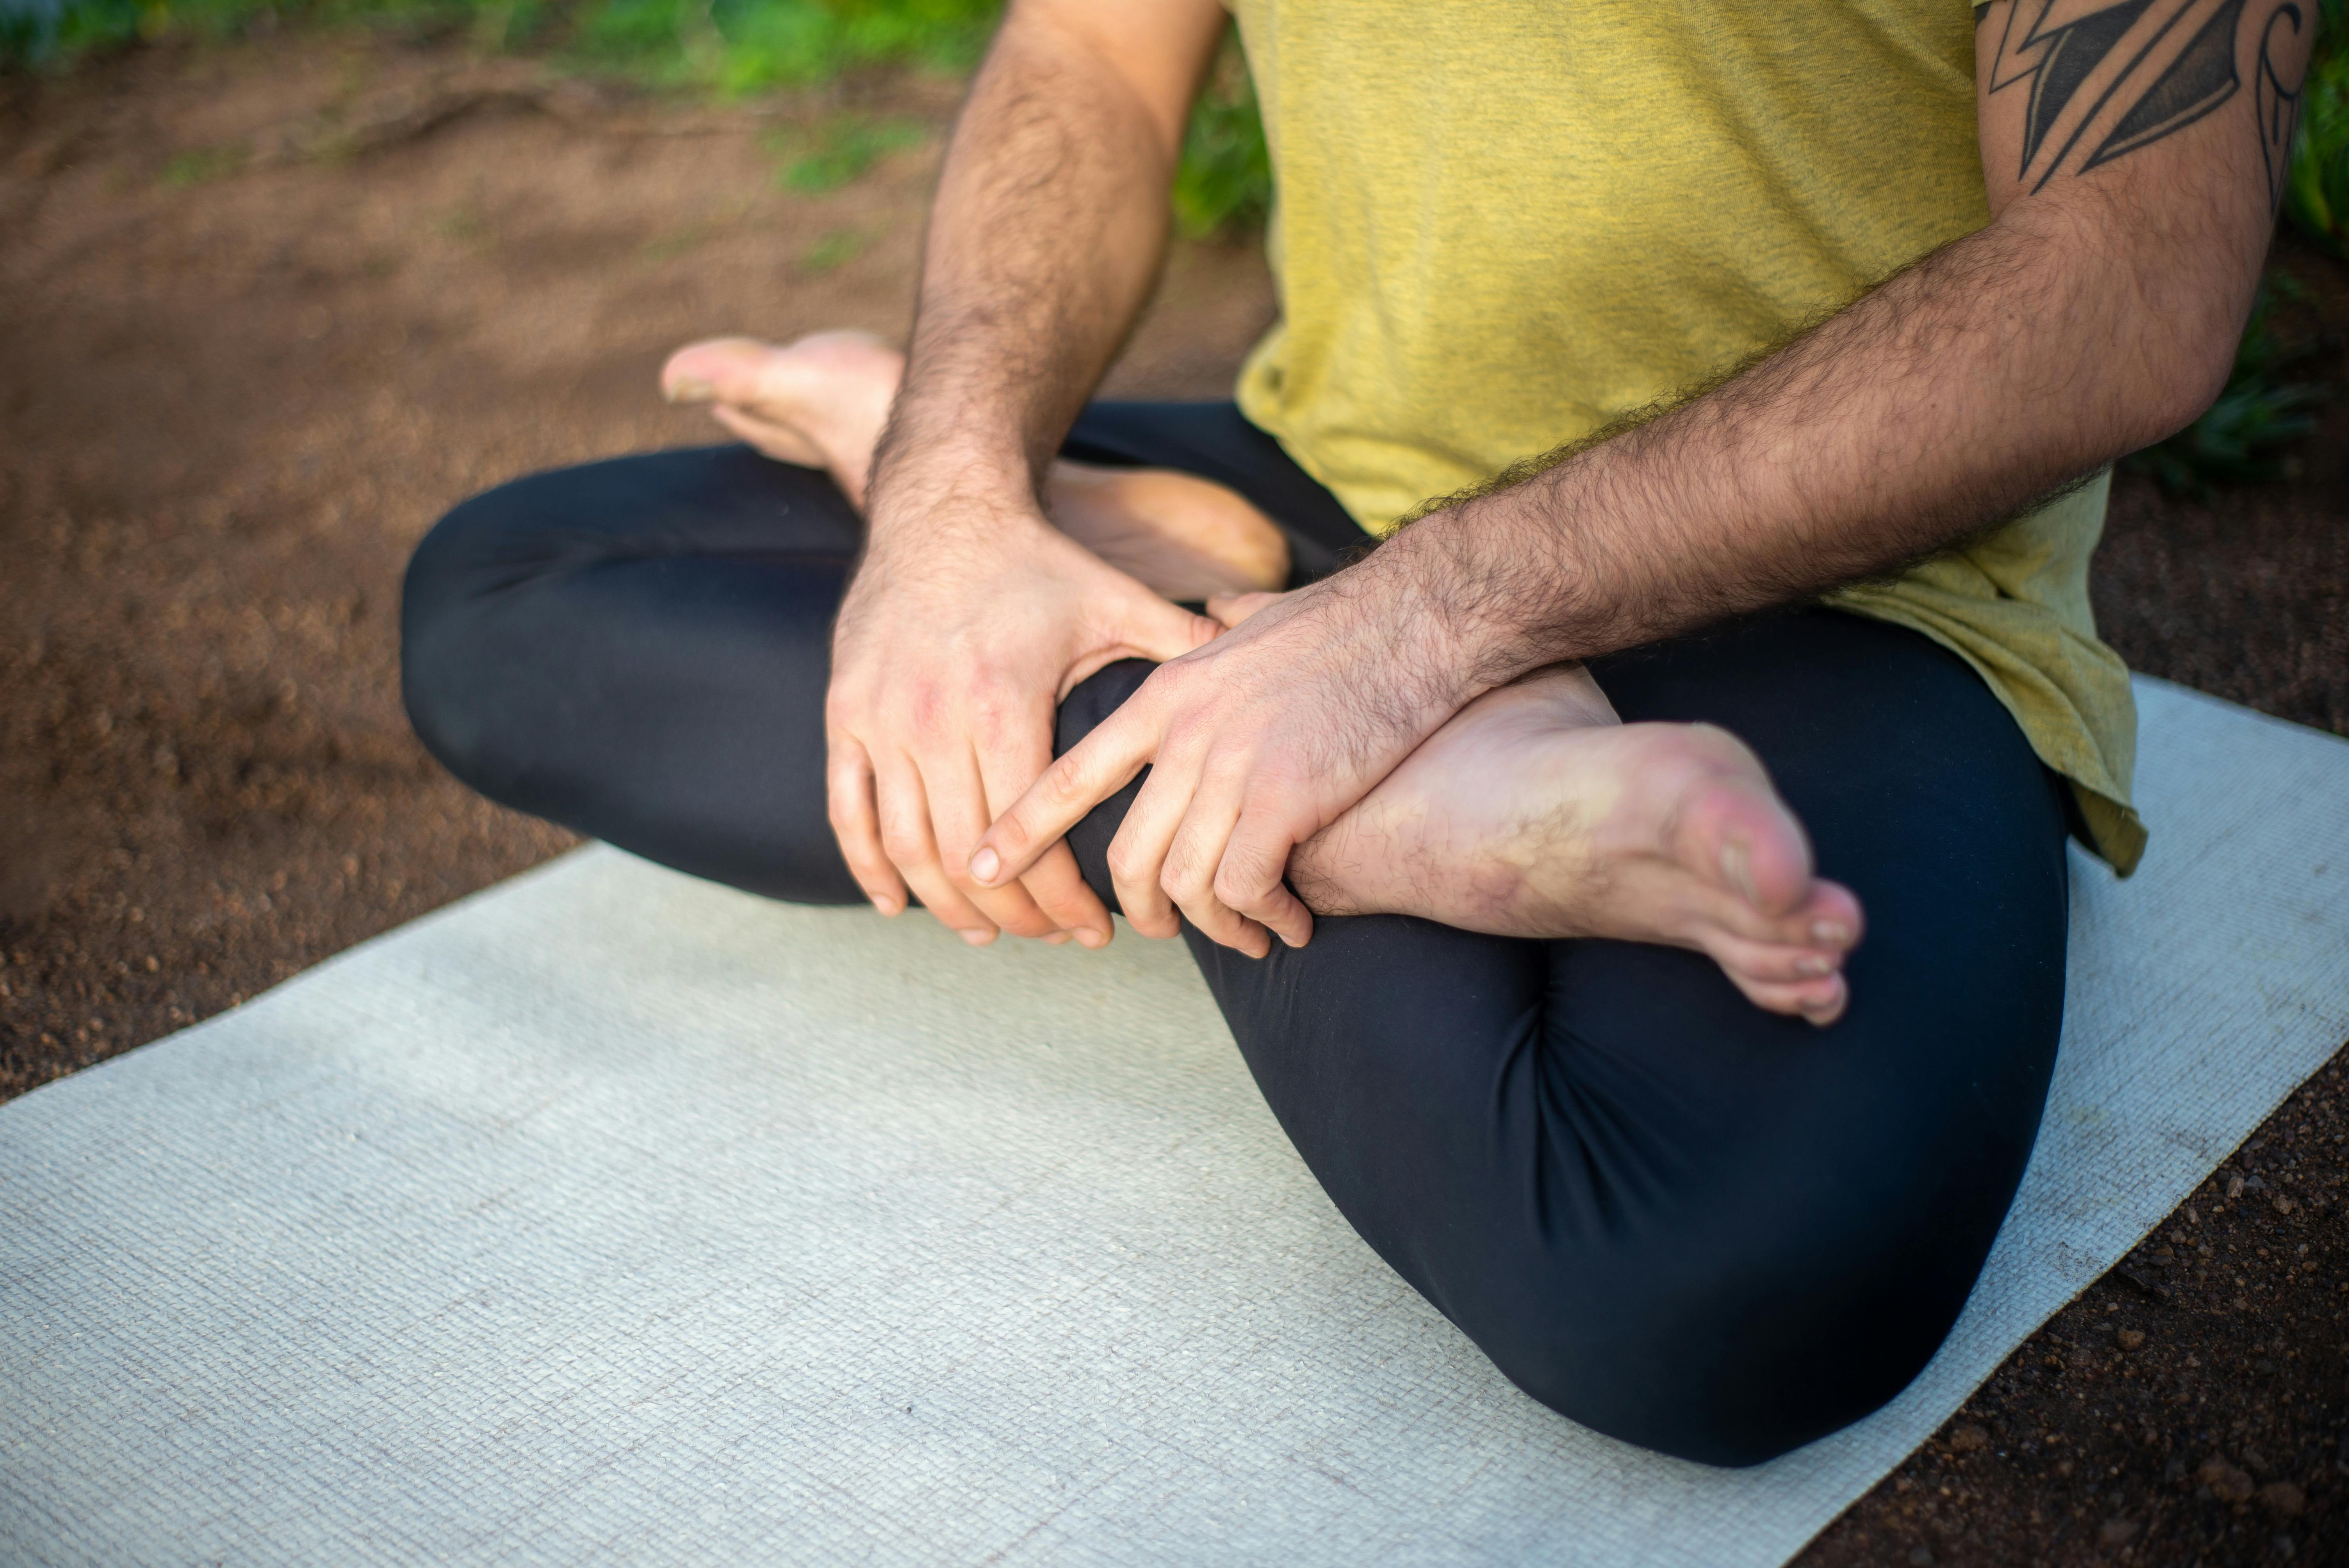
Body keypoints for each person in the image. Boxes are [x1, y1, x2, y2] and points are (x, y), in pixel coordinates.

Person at [401, 0, 2309, 1464]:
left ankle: (1190, 616)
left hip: (1830, 591)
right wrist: (956, 500)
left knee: (1684, 1284)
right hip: (1336, 482)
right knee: (503, 602)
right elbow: (1085, 54)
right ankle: (1380, 792)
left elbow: (2127, 277)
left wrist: (1418, 632)